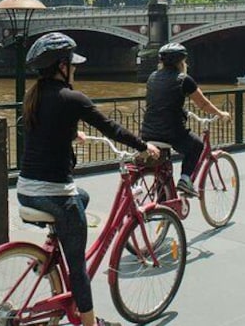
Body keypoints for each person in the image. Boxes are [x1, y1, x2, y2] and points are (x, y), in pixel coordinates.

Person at [16, 32, 159, 326]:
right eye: (72, 63)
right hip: (55, 194)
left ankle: (51, 250)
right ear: (61, 67)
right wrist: (145, 147)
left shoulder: (33, 97)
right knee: (79, 265)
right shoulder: (72, 98)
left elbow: (39, 129)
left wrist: (71, 132)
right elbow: (111, 128)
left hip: (25, 190)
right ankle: (90, 322)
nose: (76, 69)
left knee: (83, 197)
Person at [140, 42, 231, 197]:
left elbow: (161, 101)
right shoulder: (183, 79)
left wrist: (183, 111)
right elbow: (203, 104)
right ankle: (185, 179)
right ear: (181, 62)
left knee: (164, 166)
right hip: (171, 133)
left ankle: (164, 202)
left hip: (148, 132)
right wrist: (221, 113)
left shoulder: (152, 77)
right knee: (196, 145)